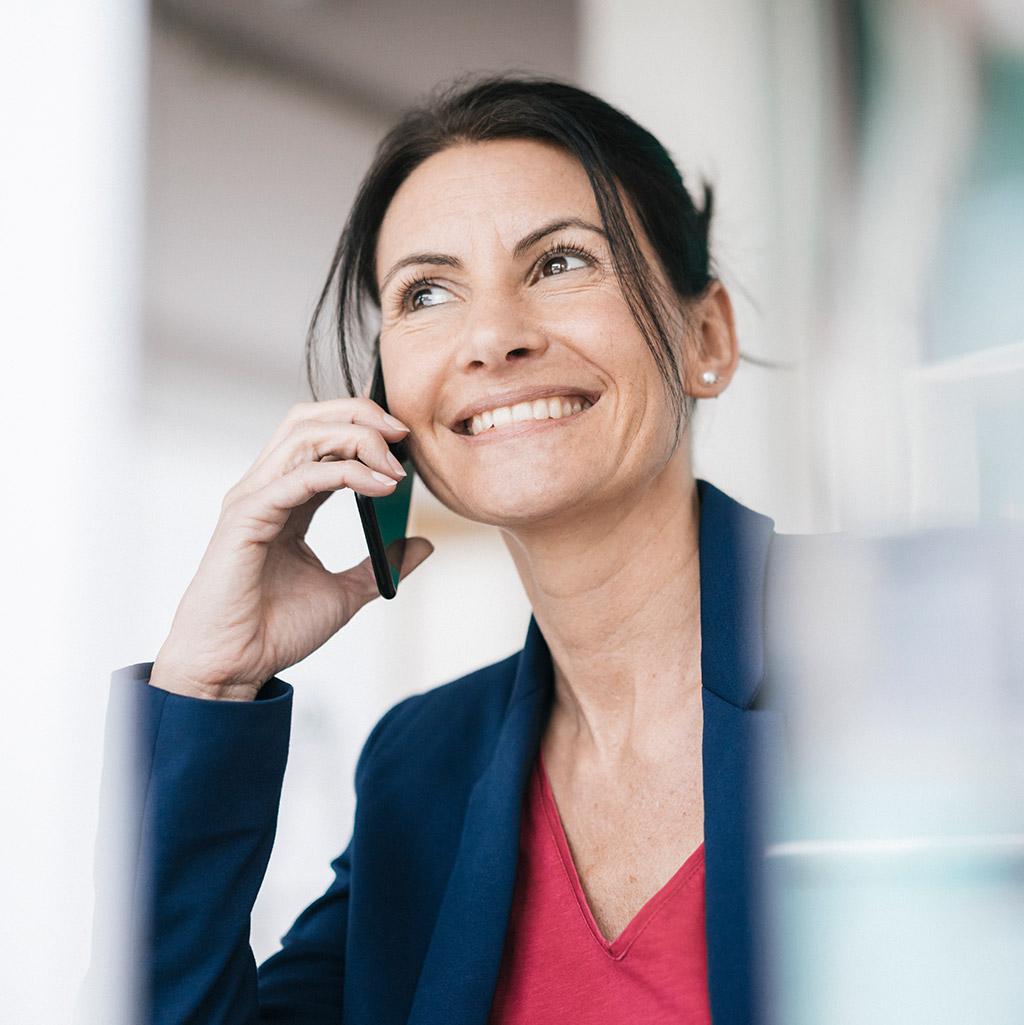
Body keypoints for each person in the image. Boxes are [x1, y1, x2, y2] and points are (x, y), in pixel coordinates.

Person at [109, 74, 789, 1025]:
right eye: (427, 292)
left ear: (705, 336)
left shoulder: (910, 653)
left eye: (559, 264)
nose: (492, 338)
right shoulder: (419, 770)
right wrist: (209, 687)